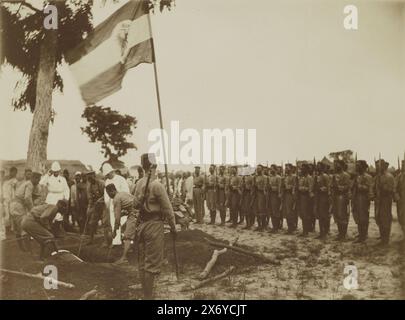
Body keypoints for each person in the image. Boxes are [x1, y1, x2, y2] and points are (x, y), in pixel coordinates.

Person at [133, 153, 176, 299]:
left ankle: (147, 295)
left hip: (142, 225)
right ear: (152, 167)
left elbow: (134, 205)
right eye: (155, 165)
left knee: (143, 263)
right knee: (151, 265)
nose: (157, 168)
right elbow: (168, 210)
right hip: (154, 225)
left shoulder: (138, 183)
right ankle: (148, 297)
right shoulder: (157, 185)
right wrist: (173, 227)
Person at [9, 171, 42, 251]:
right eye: (38, 179)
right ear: (34, 178)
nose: (39, 181)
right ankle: (27, 249)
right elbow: (27, 198)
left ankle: (22, 248)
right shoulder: (30, 184)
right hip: (18, 206)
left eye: (39, 179)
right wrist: (33, 210)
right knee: (24, 226)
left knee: (19, 228)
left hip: (15, 205)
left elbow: (35, 197)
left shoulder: (30, 184)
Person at [105, 184, 137, 264]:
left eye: (108, 193)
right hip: (137, 211)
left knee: (127, 235)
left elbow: (117, 218)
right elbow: (131, 202)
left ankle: (124, 258)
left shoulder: (116, 199)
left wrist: (115, 231)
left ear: (112, 191)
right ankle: (129, 248)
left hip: (136, 213)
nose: (108, 195)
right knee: (124, 228)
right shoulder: (122, 193)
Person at [102, 163, 130, 246]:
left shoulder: (121, 179)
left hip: (122, 203)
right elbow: (106, 194)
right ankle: (116, 241)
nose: (107, 176)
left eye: (108, 174)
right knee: (113, 222)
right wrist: (107, 204)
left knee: (123, 221)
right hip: (112, 204)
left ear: (111, 172)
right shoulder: (107, 181)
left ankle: (125, 239)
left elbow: (126, 192)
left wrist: (123, 203)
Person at [352, 160, 373, 243]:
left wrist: (359, 186)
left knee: (363, 217)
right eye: (356, 165)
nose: (356, 167)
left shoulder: (368, 177)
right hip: (356, 198)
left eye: (358, 165)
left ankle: (363, 235)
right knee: (357, 216)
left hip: (363, 198)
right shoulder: (357, 176)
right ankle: (361, 233)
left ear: (363, 167)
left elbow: (369, 188)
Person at [374, 159, 395, 245]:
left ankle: (385, 239)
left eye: (379, 166)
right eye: (377, 166)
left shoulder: (389, 177)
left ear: (384, 166)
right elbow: (374, 188)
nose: (377, 167)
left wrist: (383, 187)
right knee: (378, 218)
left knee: (385, 218)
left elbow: (391, 189)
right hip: (378, 200)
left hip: (386, 200)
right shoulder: (377, 177)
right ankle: (382, 236)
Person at [330, 160, 351, 241]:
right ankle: (340, 233)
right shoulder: (334, 176)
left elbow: (347, 186)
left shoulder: (346, 175)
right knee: (337, 215)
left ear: (341, 165)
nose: (335, 166)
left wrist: (338, 187)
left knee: (343, 216)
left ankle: (343, 234)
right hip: (335, 196)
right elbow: (331, 185)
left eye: (337, 165)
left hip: (343, 197)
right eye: (335, 165)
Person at [85, 171, 105, 245]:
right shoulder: (89, 186)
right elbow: (90, 198)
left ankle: (108, 240)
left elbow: (106, 195)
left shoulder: (101, 183)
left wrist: (100, 200)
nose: (90, 180)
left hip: (105, 204)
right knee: (91, 222)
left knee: (106, 222)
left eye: (91, 178)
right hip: (96, 205)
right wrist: (89, 208)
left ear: (94, 176)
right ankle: (91, 239)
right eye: (88, 179)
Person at [314, 162, 331, 240]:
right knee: (320, 215)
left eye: (319, 166)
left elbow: (328, 187)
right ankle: (321, 232)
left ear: (322, 168)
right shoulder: (317, 176)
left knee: (324, 215)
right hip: (318, 197)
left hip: (324, 197)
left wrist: (323, 190)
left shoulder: (325, 176)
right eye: (317, 166)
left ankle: (325, 232)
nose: (317, 168)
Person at [297, 163, 314, 237]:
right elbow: (298, 186)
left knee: (306, 214)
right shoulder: (301, 178)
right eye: (301, 168)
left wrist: (303, 188)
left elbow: (310, 189)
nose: (302, 170)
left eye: (303, 168)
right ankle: (304, 230)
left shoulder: (309, 178)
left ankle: (306, 231)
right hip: (301, 197)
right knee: (302, 214)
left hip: (307, 197)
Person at [281, 164, 297, 234]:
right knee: (287, 212)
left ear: (291, 169)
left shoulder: (294, 177)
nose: (286, 169)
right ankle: (289, 227)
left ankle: (292, 228)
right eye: (286, 168)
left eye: (287, 168)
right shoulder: (285, 177)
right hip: (286, 195)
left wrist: (294, 196)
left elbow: (295, 186)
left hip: (291, 195)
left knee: (290, 212)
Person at [2, 167, 18, 231]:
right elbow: (3, 188)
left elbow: (15, 189)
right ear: (10, 172)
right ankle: (5, 227)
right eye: (12, 172)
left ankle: (12, 227)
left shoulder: (15, 180)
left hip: (12, 198)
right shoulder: (5, 180)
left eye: (15, 172)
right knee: (6, 212)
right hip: (5, 197)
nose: (14, 174)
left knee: (12, 213)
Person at [253, 164, 268, 231]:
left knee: (262, 210)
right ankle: (259, 225)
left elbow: (265, 187)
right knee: (257, 210)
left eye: (259, 168)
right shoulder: (255, 177)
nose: (258, 169)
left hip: (262, 194)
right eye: (257, 168)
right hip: (256, 194)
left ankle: (263, 226)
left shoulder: (265, 177)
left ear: (262, 169)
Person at [268, 164, 282, 233]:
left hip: (276, 196)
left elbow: (279, 188)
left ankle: (276, 227)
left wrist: (273, 188)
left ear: (275, 170)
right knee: (271, 211)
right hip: (270, 195)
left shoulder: (278, 177)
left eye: (272, 169)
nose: (271, 170)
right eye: (270, 169)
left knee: (275, 211)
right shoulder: (270, 177)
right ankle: (274, 227)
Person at [395, 160, 405, 235]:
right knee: (401, 215)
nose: (403, 166)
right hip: (401, 199)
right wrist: (397, 197)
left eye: (404, 165)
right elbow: (395, 188)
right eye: (402, 165)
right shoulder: (399, 176)